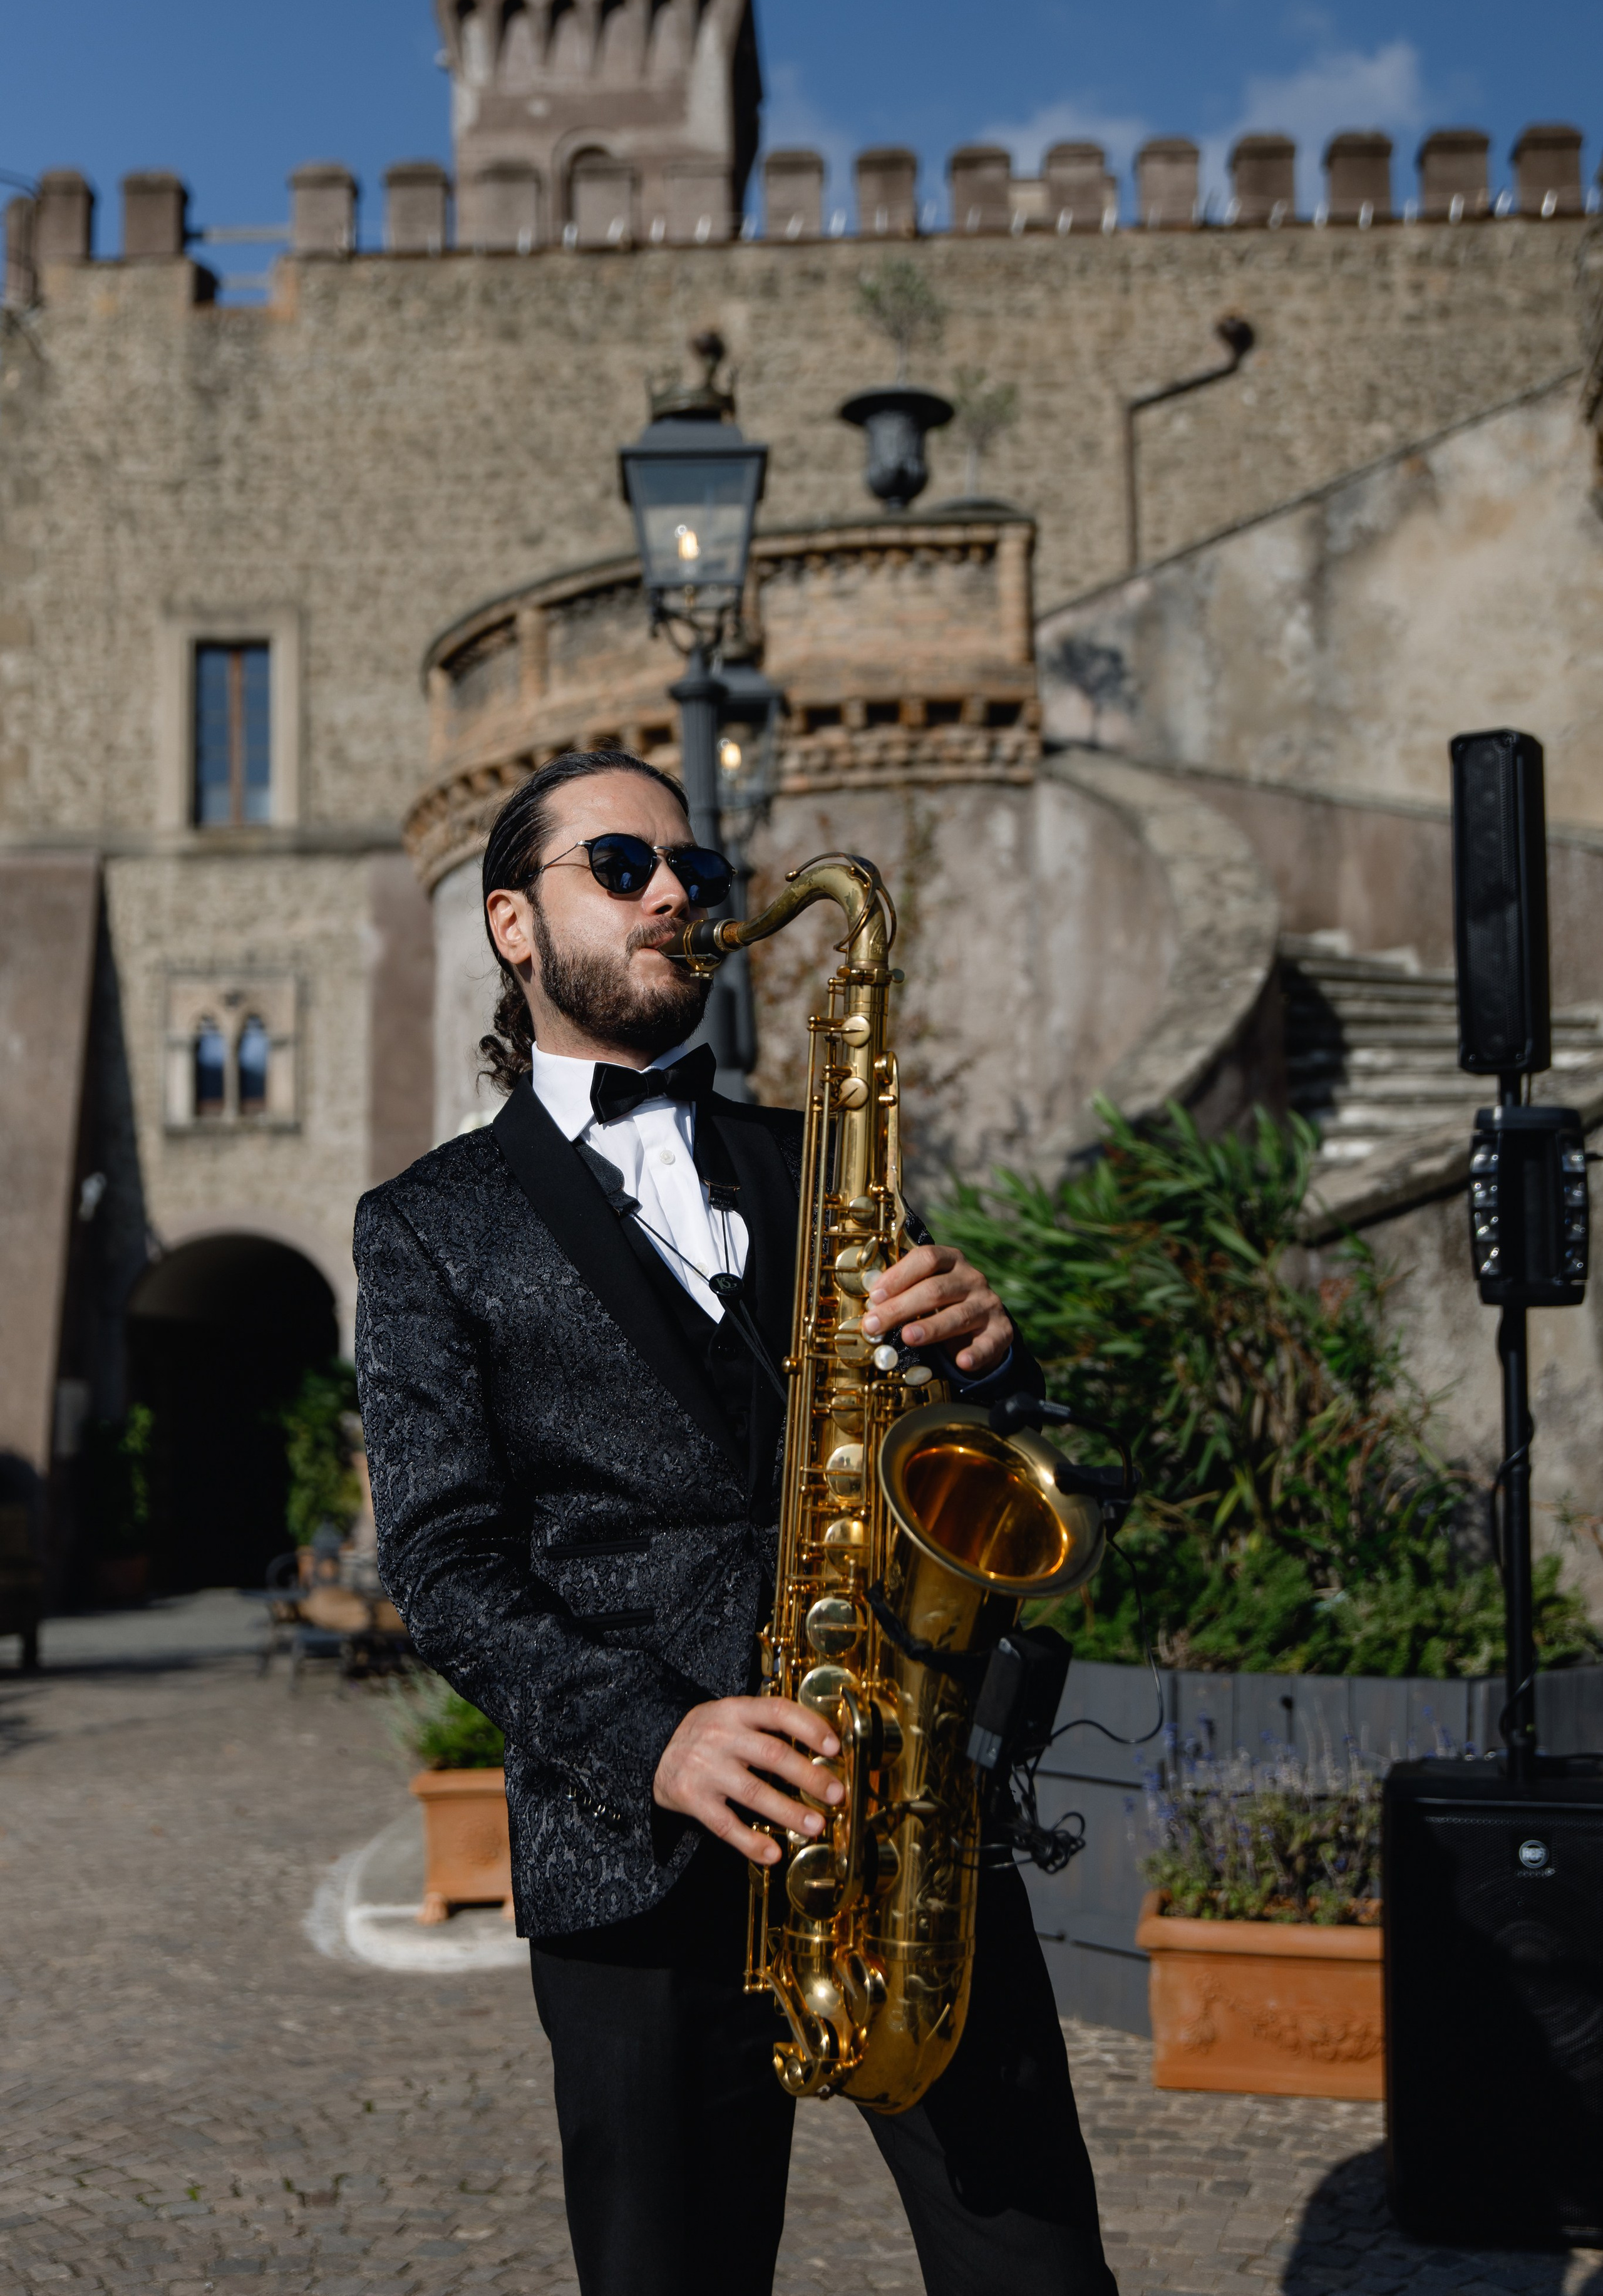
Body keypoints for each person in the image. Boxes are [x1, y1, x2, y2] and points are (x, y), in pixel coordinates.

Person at [354, 749, 1118, 2296]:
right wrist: (659, 1737)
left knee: (1039, 2274)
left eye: (690, 872)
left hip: (899, 1810)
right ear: (514, 924)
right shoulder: (425, 1227)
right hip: (635, 1846)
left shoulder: (818, 1160)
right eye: (622, 867)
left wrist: (986, 1350)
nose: (675, 898)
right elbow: (441, 1569)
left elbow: (945, 1447)